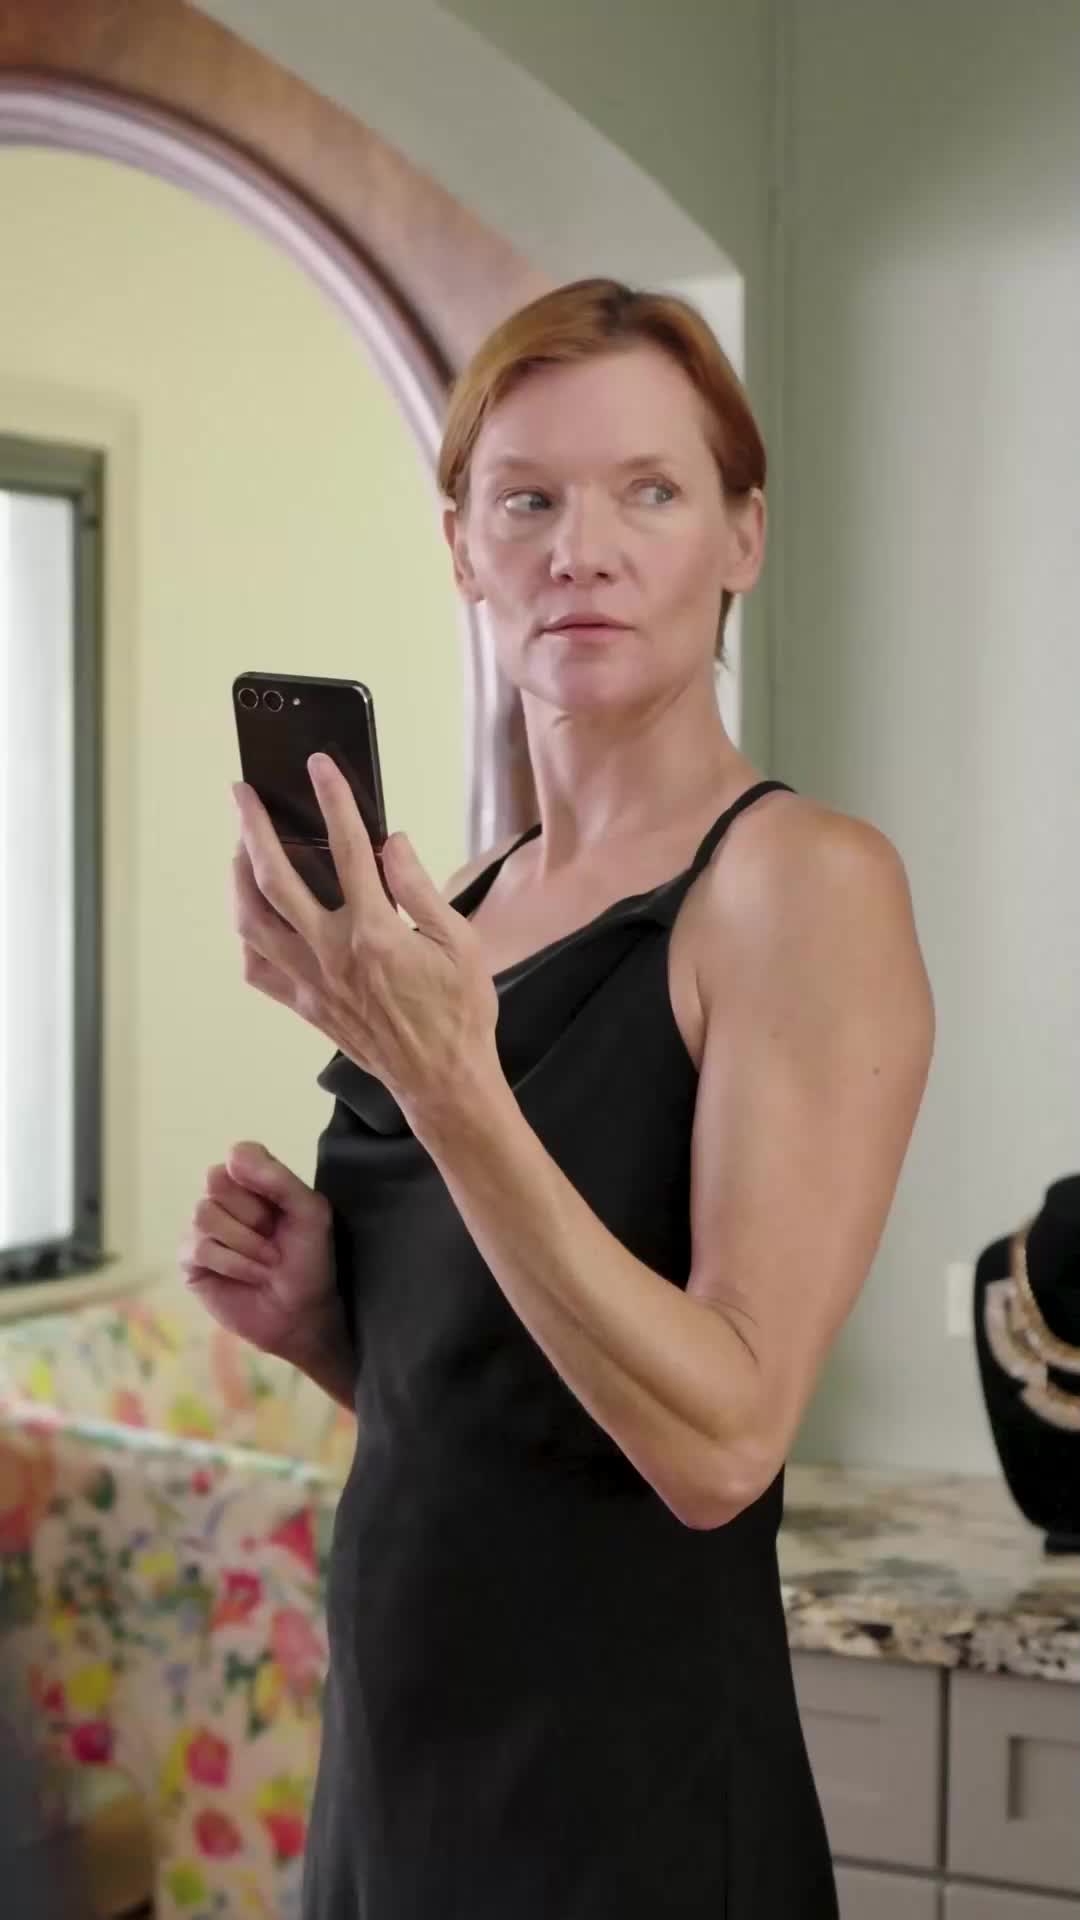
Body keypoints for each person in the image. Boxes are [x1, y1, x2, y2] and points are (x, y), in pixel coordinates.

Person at [182, 278, 935, 1918]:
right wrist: (325, 1327)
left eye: (647, 491)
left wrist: (446, 1085)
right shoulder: (459, 905)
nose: (579, 549)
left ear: (742, 536)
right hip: (397, 1778)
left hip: (634, 1808)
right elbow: (502, 1418)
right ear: (462, 546)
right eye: (526, 500)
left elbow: (720, 1442)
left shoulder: (797, 886)